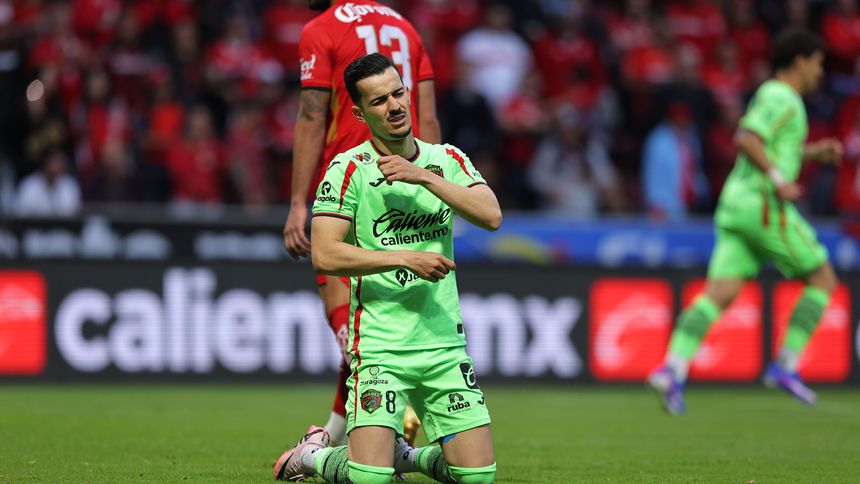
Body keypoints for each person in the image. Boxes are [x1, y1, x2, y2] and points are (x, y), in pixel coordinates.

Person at [274, 53, 500, 483]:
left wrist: (424, 177)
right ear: (359, 112)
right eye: (379, 101)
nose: (394, 106)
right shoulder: (348, 169)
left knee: (477, 478)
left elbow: (491, 215)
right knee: (369, 479)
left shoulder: (446, 159)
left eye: (398, 93)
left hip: (442, 345)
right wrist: (403, 257)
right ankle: (313, 456)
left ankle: (407, 457)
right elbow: (325, 254)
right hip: (380, 346)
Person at [648, 29, 844, 414]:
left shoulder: (775, 97)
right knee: (823, 278)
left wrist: (811, 153)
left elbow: (770, 145)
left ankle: (672, 368)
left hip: (736, 206)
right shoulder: (782, 96)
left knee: (719, 292)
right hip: (762, 206)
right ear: (801, 60)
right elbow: (748, 137)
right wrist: (780, 180)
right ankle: (786, 365)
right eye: (818, 63)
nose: (820, 72)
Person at [281, 0, 440, 447]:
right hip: (409, 179)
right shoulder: (406, 28)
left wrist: (298, 202)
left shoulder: (321, 28)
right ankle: (336, 433)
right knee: (377, 314)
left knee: (351, 323)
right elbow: (426, 119)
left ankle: (383, 434)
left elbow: (313, 115)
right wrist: (429, 185)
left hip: (353, 181)